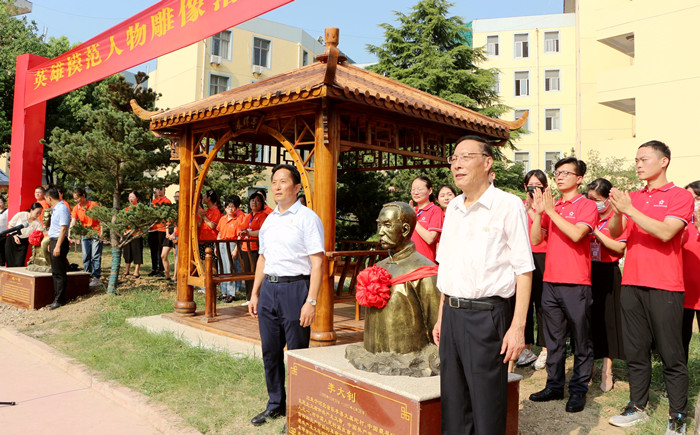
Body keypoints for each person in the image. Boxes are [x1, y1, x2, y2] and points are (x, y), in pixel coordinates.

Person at [432, 136, 533, 434]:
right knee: (454, 403)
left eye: (465, 156)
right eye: (454, 158)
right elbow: (447, 267)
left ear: (487, 162)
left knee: (487, 406)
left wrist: (518, 327)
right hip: (452, 315)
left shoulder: (507, 205)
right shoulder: (452, 209)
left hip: (487, 317)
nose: (457, 164)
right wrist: (441, 315)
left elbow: (524, 270)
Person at [607, 140, 692, 434]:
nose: (639, 164)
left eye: (644, 159)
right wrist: (618, 211)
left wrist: (629, 209)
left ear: (664, 161)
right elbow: (617, 235)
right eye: (636, 160)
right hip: (632, 284)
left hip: (665, 287)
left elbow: (667, 232)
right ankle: (637, 406)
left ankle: (678, 415)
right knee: (636, 351)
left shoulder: (679, 196)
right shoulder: (633, 197)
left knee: (671, 354)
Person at [248, 164, 324, 429]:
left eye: (283, 181)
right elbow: (263, 259)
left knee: (297, 353)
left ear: (296, 187)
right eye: (274, 182)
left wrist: (311, 301)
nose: (277, 186)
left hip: (296, 289)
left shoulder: (307, 218)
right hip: (269, 289)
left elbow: (317, 263)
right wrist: (255, 293)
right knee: (270, 351)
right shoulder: (269, 220)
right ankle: (275, 405)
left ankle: (298, 410)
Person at [529, 157, 598, 414]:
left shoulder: (586, 205)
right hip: (551, 281)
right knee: (554, 338)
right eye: (557, 172)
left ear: (579, 179)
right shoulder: (552, 206)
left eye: (566, 173)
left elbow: (578, 234)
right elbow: (537, 239)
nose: (559, 177)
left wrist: (550, 212)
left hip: (576, 282)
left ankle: (579, 389)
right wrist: (539, 213)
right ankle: (554, 385)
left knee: (581, 339)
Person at [587, 178, 627, 393]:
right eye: (589, 199)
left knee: (608, 322)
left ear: (608, 199)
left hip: (608, 273)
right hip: (586, 271)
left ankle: (607, 369)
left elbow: (619, 248)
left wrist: (596, 232)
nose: (593, 203)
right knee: (588, 320)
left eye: (597, 199)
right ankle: (588, 366)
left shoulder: (617, 218)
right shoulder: (588, 214)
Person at [520, 169, 549, 369]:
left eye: (538, 185)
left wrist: (534, 211)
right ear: (525, 187)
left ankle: (546, 348)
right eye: (531, 185)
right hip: (522, 257)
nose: (534, 189)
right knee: (524, 303)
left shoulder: (548, 208)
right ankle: (525, 348)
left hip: (543, 257)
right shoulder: (519, 207)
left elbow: (541, 235)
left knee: (542, 303)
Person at [681, 181, 700, 362]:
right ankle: (679, 383)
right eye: (690, 199)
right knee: (681, 340)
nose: (694, 203)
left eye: (697, 198)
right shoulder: (681, 223)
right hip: (683, 291)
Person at [70, 188, 103, 287]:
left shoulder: (93, 205)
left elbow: (101, 219)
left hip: (95, 232)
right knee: (86, 256)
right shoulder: (76, 208)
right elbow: (73, 221)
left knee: (95, 255)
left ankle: (96, 277)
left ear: (83, 196)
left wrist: (102, 233)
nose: (76, 201)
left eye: (77, 198)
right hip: (85, 233)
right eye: (74, 199)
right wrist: (71, 232)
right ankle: (87, 275)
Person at [239, 192, 268, 305]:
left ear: (262, 203)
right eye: (252, 200)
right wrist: (242, 232)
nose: (254, 203)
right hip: (246, 247)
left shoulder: (264, 216)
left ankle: (258, 296)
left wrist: (249, 232)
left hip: (256, 248)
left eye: (257, 201)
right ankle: (248, 297)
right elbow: (243, 228)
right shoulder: (248, 216)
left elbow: (262, 232)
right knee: (247, 272)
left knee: (257, 273)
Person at [217, 195, 246, 302]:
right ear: (225, 208)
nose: (230, 209)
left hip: (232, 243)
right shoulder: (222, 219)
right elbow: (219, 232)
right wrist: (217, 246)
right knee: (222, 268)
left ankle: (231, 293)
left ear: (236, 208)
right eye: (228, 207)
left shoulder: (237, 220)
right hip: (222, 243)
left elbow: (239, 236)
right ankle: (223, 292)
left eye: (233, 207)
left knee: (230, 268)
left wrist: (235, 250)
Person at [45, 187, 70, 310]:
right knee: (55, 272)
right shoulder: (56, 209)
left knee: (59, 273)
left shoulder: (62, 209)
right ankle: (57, 298)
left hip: (59, 241)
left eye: (46, 199)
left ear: (49, 198)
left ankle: (60, 299)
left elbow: (63, 228)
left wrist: (58, 246)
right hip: (54, 240)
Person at [410, 176, 444, 263]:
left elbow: (430, 239)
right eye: (413, 189)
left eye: (420, 189)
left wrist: (413, 219)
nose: (415, 192)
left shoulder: (435, 210)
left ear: (430, 191)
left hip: (425, 264)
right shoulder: (412, 210)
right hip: (409, 263)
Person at [5, 202, 44, 267]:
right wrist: (14, 236)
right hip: (12, 239)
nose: (38, 214)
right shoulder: (20, 215)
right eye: (37, 212)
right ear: (31, 210)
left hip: (23, 242)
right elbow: (10, 226)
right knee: (10, 264)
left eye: (40, 213)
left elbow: (39, 233)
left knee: (19, 263)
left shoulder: (37, 223)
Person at [147, 187, 171, 276]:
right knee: (153, 248)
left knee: (161, 249)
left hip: (162, 228)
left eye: (161, 189)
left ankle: (161, 269)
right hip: (153, 228)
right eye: (157, 189)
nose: (159, 191)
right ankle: (154, 268)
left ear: (164, 190)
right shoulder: (153, 202)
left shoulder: (167, 201)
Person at [197, 189, 222, 264]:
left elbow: (212, 225)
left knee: (211, 265)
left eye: (205, 196)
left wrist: (204, 217)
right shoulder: (207, 211)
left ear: (209, 198)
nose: (203, 198)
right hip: (203, 240)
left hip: (211, 241)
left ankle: (213, 276)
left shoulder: (216, 211)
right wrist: (201, 216)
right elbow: (199, 224)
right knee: (205, 263)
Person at [123, 192, 144, 278]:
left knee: (137, 252)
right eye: (129, 197)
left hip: (136, 234)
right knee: (127, 252)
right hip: (127, 234)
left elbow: (141, 222)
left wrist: (133, 230)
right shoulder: (126, 209)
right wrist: (124, 231)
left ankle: (136, 271)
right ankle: (127, 270)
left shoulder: (140, 209)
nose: (131, 199)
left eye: (133, 197)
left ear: (137, 198)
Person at [160, 192, 178, 282]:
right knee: (163, 255)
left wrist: (174, 234)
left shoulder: (181, 208)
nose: (176, 198)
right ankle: (167, 274)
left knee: (176, 255)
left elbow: (177, 223)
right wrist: (167, 232)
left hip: (177, 232)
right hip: (169, 231)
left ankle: (175, 275)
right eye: (175, 196)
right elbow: (167, 221)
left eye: (178, 196)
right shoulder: (172, 208)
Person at [0, 196, 8, 266]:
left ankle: (2, 264)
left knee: (3, 250)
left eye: (1, 202)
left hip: (4, 234)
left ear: (4, 203)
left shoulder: (7, 211)